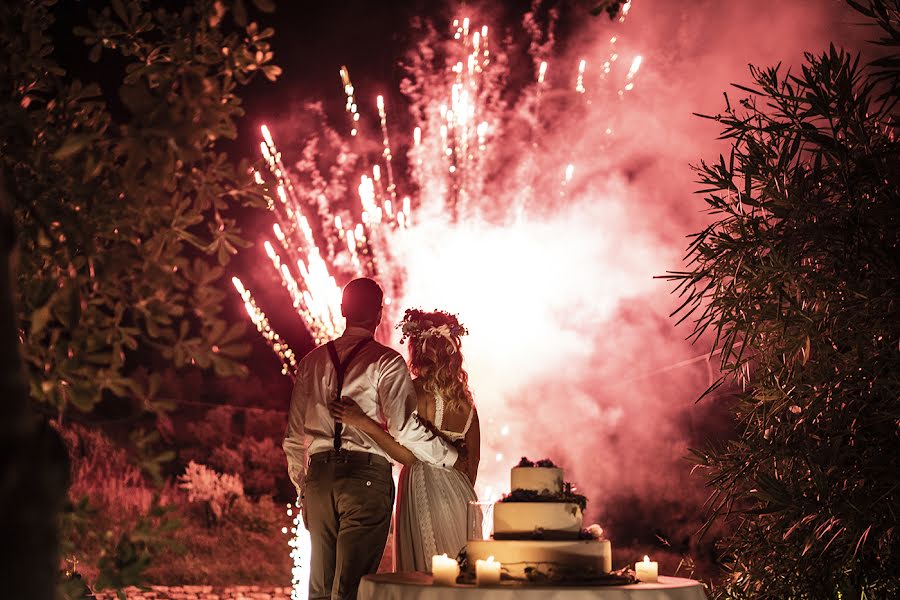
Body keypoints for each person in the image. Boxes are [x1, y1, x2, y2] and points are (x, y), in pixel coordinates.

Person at [283, 279, 461, 600]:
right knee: (352, 589)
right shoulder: (387, 361)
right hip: (366, 477)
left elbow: (294, 439)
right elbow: (404, 429)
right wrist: (449, 457)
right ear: (379, 314)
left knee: (320, 590)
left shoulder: (310, 363)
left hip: (319, 479)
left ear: (342, 311)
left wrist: (303, 490)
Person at [330, 308, 480, 572]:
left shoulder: (413, 389)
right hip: (462, 494)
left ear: (417, 349)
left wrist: (363, 422)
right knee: (461, 575)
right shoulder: (467, 402)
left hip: (422, 486)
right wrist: (457, 493)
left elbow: (405, 452)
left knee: (424, 574)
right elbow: (472, 462)